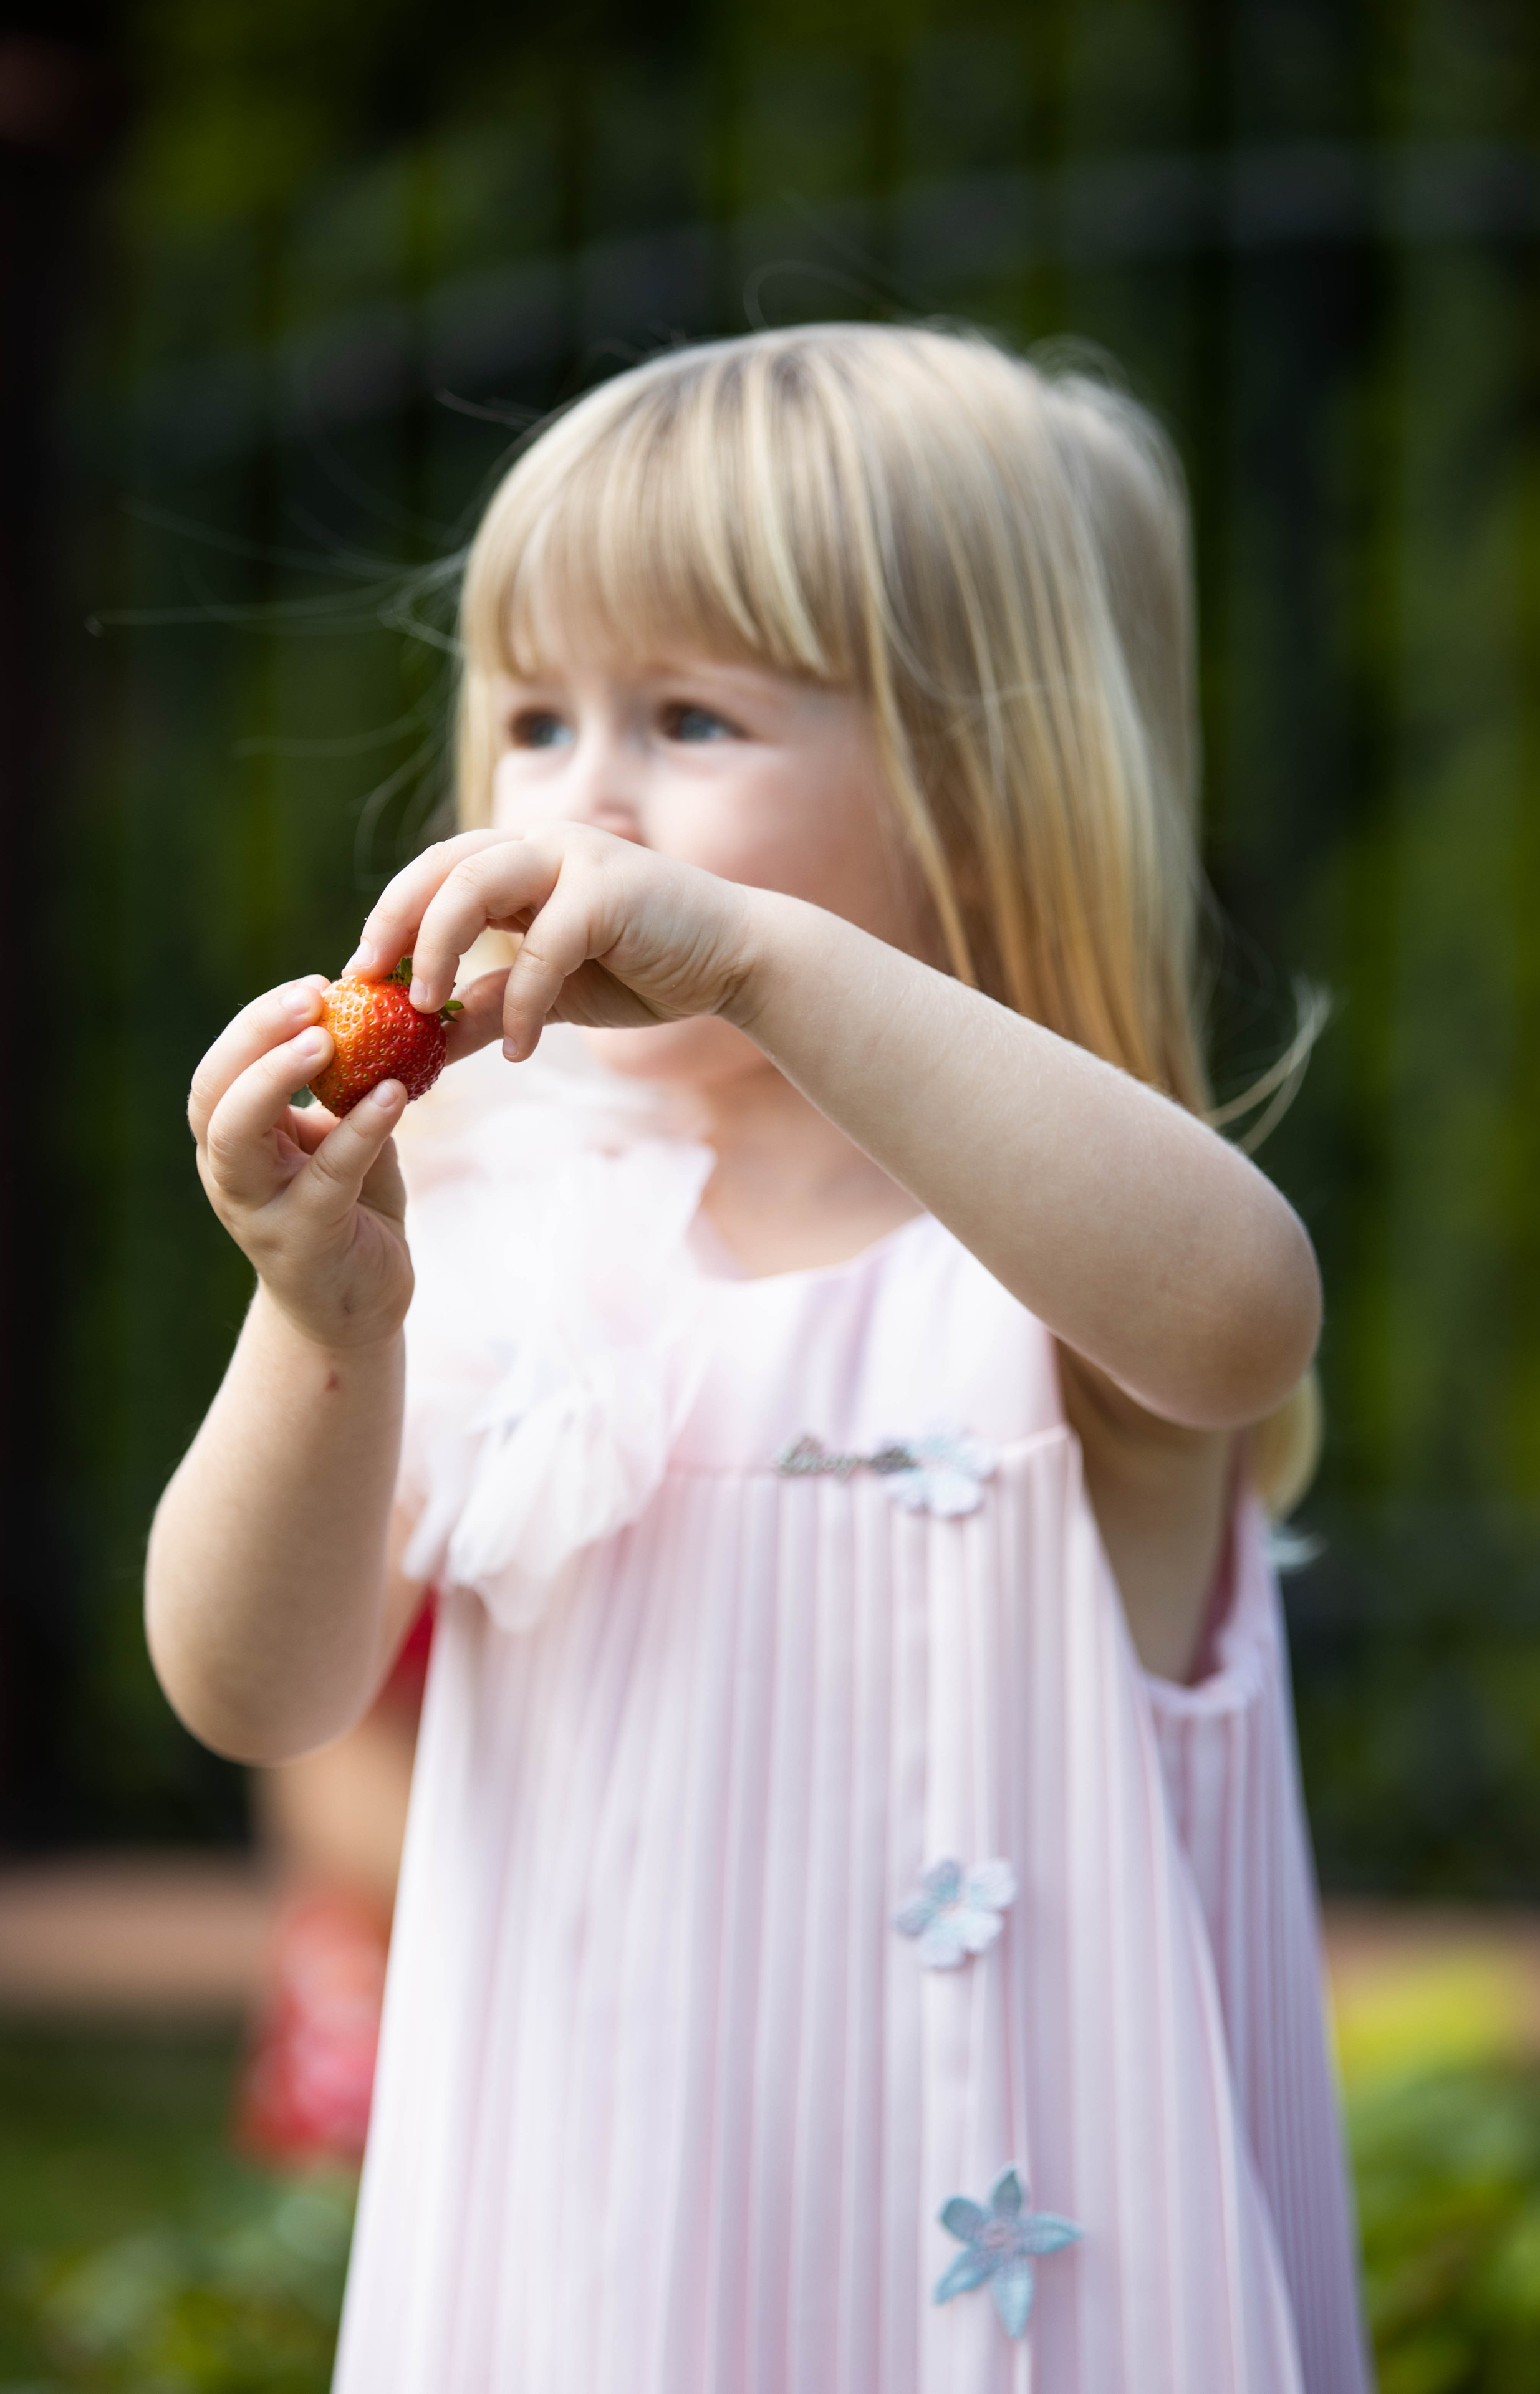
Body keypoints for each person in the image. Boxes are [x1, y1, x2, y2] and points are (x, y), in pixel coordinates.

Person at [146, 324, 1370, 2392]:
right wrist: (317, 1321)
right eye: (533, 721)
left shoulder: (1049, 1249)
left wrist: (766, 960)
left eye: (693, 716)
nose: (585, 802)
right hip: (584, 2287)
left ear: (976, 786)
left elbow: (1240, 1321)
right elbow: (254, 1694)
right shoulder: (490, 1211)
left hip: (1008, 2307)